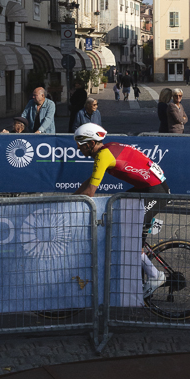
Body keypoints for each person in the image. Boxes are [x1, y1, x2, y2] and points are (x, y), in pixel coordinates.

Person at [74, 123, 170, 297]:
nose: (79, 148)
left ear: (89, 143)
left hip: (156, 191)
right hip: (148, 188)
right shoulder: (108, 148)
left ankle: (156, 276)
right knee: (117, 212)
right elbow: (89, 182)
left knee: (132, 239)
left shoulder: (103, 156)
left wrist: (72, 203)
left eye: (80, 145)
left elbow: (90, 192)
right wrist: (72, 197)